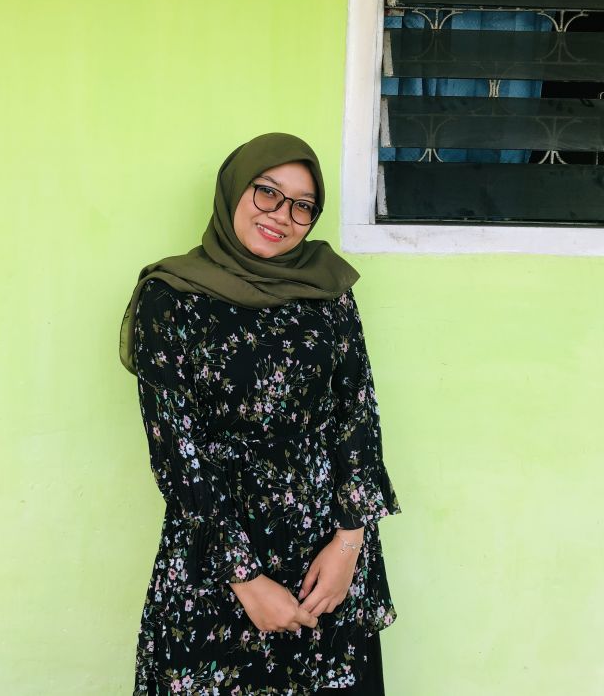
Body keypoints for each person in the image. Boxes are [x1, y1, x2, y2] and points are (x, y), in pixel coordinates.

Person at [120, 132, 401, 695]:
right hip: (217, 556)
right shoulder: (170, 297)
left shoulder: (329, 291)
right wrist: (245, 579)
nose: (281, 215)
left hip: (326, 556)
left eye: (302, 205)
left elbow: (357, 416)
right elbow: (177, 454)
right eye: (267, 192)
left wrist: (349, 545)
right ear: (233, 190)